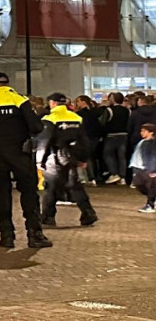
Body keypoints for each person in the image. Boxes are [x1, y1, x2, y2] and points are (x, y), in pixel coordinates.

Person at [0, 71, 49, 248]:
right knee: (29, 193)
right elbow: (36, 126)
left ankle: (6, 236)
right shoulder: (19, 100)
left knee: (2, 195)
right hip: (20, 155)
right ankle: (34, 235)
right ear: (8, 84)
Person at [38, 92, 97, 228]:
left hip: (55, 156)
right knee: (74, 185)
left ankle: (48, 217)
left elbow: (45, 141)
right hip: (73, 156)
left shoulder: (50, 119)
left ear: (52, 103)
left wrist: (40, 160)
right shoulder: (76, 117)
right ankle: (88, 213)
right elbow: (84, 140)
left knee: (51, 186)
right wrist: (83, 158)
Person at [74, 95, 106, 185]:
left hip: (85, 136)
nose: (77, 104)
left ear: (83, 102)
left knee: (86, 157)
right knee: (92, 157)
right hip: (94, 137)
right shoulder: (95, 112)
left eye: (78, 101)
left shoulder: (79, 114)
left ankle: (88, 177)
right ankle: (94, 177)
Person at [100, 92, 130, 185]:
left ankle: (114, 173)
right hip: (124, 135)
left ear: (112, 99)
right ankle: (123, 177)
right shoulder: (127, 111)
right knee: (122, 156)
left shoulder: (109, 110)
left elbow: (103, 123)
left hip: (111, 135)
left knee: (107, 154)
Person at [128, 95, 156, 179]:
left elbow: (129, 126)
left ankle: (136, 178)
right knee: (151, 157)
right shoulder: (155, 112)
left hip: (137, 138)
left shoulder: (135, 112)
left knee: (137, 158)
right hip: (153, 137)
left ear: (140, 101)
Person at [131, 122, 156, 214]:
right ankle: (153, 199)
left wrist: (152, 169)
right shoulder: (143, 142)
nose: (141, 133)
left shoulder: (151, 143)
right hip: (139, 167)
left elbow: (151, 156)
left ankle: (150, 205)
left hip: (147, 168)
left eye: (144, 131)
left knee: (150, 186)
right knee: (139, 184)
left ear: (151, 133)